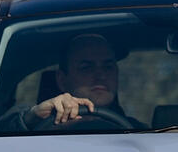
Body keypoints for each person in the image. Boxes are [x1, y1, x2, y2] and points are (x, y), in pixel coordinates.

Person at [14, 34, 144, 130]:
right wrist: (31, 118)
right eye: (87, 67)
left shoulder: (141, 132)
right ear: (62, 80)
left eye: (108, 67)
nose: (101, 75)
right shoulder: (34, 132)